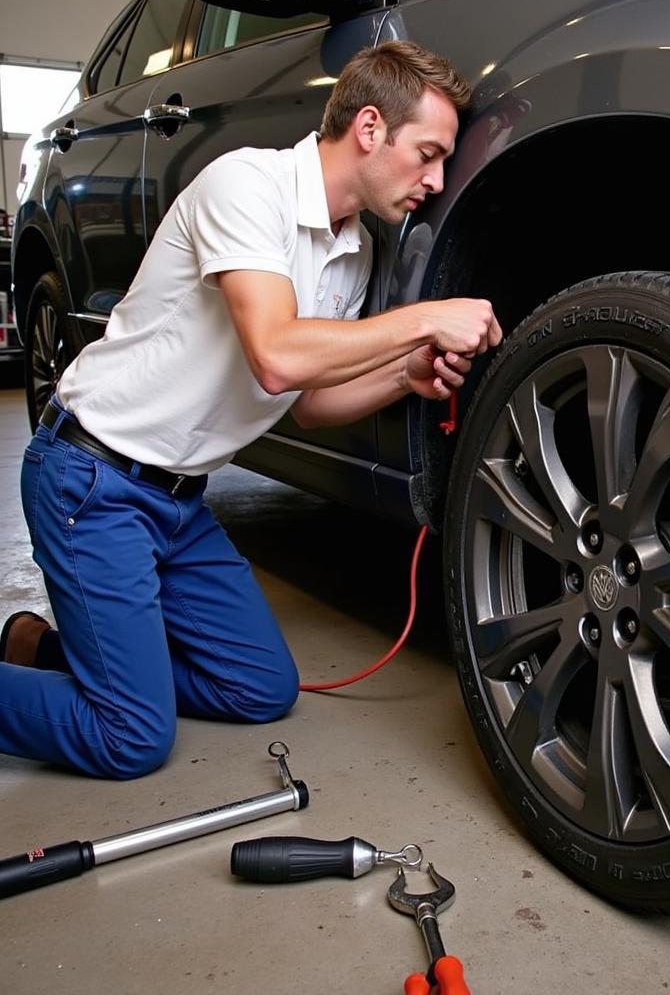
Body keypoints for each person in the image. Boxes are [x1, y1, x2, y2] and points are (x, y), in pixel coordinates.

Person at [0, 41, 501, 780]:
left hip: (177, 503)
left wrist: (408, 373)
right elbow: (276, 353)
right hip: (91, 482)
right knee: (130, 738)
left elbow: (308, 403)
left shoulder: (354, 251)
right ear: (369, 127)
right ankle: (105, 688)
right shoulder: (246, 185)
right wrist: (429, 318)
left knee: (261, 688)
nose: (434, 179)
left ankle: (44, 650)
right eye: (427, 153)